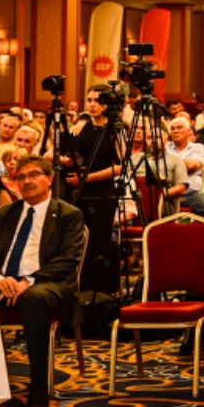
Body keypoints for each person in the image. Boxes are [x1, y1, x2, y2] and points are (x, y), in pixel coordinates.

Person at [0, 156, 88, 407]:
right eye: (21, 177)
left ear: (49, 179)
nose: (27, 181)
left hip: (48, 282)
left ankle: (38, 382)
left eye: (34, 175)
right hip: (4, 282)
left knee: (33, 298)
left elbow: (68, 260)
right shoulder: (5, 213)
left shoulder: (68, 214)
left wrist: (28, 281)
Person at [58, 88, 122, 296]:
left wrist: (86, 178)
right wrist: (67, 161)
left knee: (98, 241)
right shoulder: (81, 125)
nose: (93, 104)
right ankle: (79, 286)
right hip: (76, 189)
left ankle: (101, 291)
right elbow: (55, 152)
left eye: (98, 100)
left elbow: (120, 167)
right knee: (76, 237)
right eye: (89, 100)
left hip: (102, 191)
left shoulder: (115, 129)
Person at [166, 116, 204, 214]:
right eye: (172, 129)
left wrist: (171, 163)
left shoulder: (198, 147)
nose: (175, 131)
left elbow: (192, 167)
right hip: (168, 191)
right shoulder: (165, 147)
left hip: (190, 192)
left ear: (188, 131)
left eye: (179, 128)